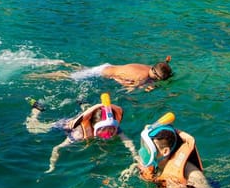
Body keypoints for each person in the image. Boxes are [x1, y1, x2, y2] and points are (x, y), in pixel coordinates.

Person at [25, 93, 137, 173]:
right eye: (103, 130)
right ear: (94, 126)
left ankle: (82, 101)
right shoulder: (79, 135)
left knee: (88, 111)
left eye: (111, 129)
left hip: (85, 119)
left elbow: (128, 142)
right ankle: (36, 109)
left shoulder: (112, 128)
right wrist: (52, 166)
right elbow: (57, 148)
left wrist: (135, 156)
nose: (108, 134)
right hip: (66, 125)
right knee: (33, 128)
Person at [135, 112, 220, 188]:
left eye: (148, 147)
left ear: (165, 152)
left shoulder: (192, 173)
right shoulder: (154, 163)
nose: (144, 151)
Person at [30, 56, 173, 92]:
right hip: (103, 73)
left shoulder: (149, 68)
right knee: (69, 76)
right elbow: (130, 89)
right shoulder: (142, 77)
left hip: (107, 66)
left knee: (83, 70)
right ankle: (38, 76)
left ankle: (62, 63)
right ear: (157, 75)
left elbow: (162, 68)